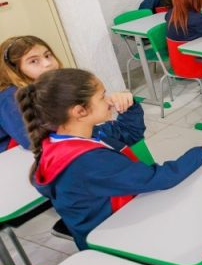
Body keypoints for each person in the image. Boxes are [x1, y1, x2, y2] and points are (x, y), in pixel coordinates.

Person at [18, 68, 202, 265]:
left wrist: (130, 106)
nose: (109, 100)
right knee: (194, 212)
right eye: (102, 96)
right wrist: (201, 151)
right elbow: (158, 178)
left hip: (116, 215)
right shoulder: (87, 160)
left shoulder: (78, 136)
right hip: (112, 233)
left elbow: (130, 132)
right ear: (80, 111)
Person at [0, 35, 146, 240]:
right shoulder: (9, 97)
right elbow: (29, 138)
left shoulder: (51, 88)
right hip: (17, 160)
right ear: (14, 70)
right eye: (34, 61)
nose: (47, 63)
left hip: (61, 153)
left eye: (48, 55)